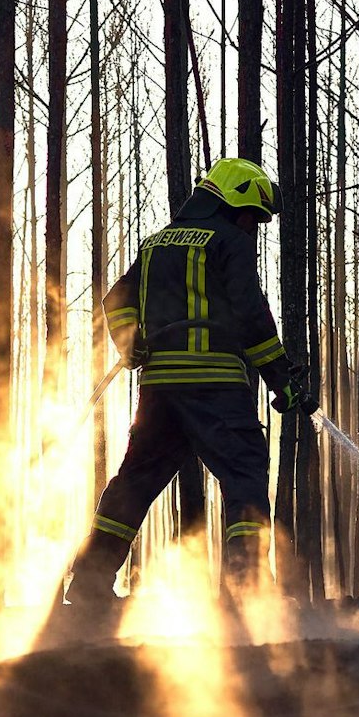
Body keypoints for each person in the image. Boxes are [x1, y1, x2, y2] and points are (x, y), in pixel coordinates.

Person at [61, 157, 315, 613]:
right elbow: (250, 314)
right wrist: (281, 379)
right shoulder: (229, 243)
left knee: (135, 480)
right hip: (215, 384)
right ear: (232, 200)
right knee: (244, 476)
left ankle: (89, 586)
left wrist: (129, 341)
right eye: (251, 216)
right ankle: (245, 591)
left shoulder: (157, 243)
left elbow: (116, 298)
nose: (252, 227)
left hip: (160, 390)